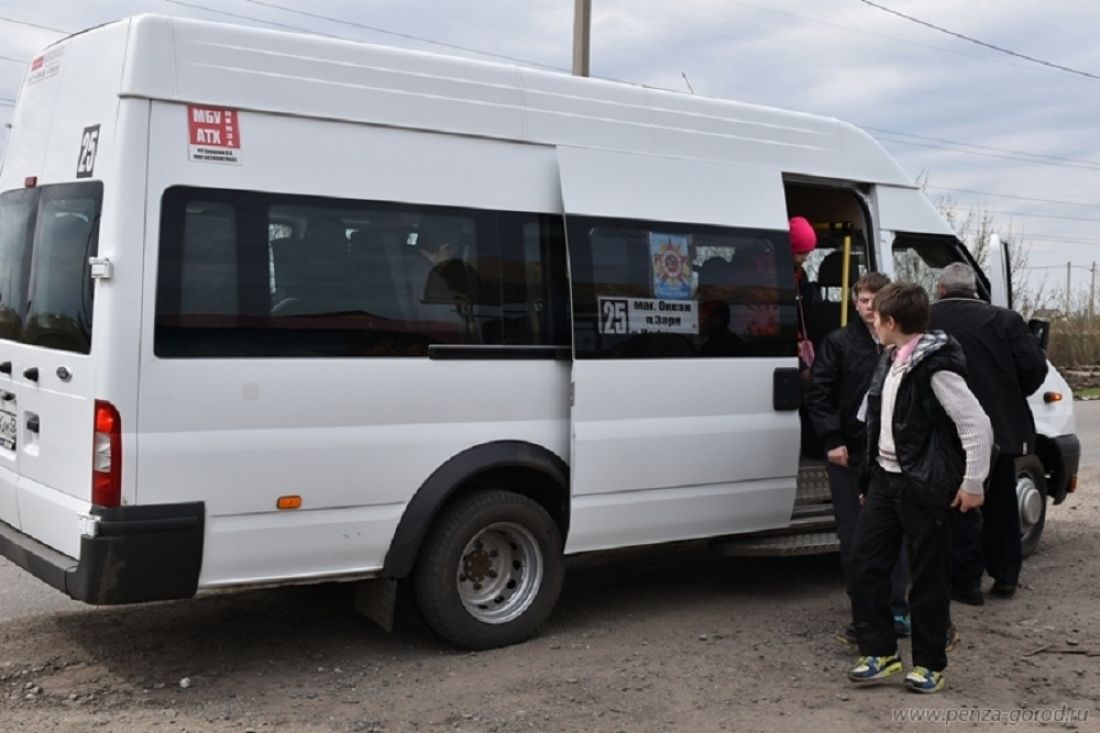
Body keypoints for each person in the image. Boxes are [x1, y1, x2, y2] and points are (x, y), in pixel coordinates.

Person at [847, 282, 992, 694]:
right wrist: (868, 481)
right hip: (884, 482)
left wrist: (972, 483)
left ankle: (929, 664)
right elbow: (875, 420)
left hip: (924, 486)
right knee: (865, 566)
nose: (870, 323)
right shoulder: (890, 358)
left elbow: (976, 424)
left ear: (891, 322)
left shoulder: (936, 366)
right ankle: (880, 653)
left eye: (875, 317)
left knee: (927, 578)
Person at [929, 262, 1048, 603]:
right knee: (1002, 504)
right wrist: (1007, 393)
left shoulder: (927, 320)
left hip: (946, 429)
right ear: (976, 290)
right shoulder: (1005, 320)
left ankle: (965, 583)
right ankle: (1005, 575)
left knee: (958, 506)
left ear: (940, 290)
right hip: (999, 428)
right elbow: (1034, 370)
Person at [805, 272, 911, 643]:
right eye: (863, 300)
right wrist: (832, 439)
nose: (869, 307)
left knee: (894, 535)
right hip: (849, 455)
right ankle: (864, 612)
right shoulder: (839, 343)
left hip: (890, 456)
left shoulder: (901, 344)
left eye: (875, 299)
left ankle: (898, 608)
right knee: (855, 538)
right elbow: (818, 395)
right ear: (855, 303)